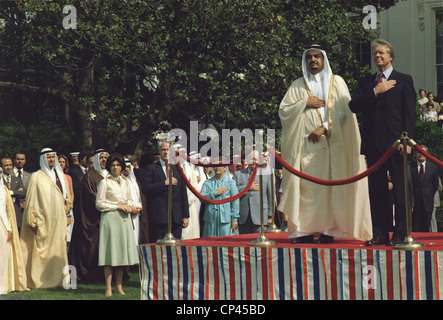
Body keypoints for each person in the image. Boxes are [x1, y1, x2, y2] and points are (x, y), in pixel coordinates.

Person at [278, 44, 372, 244]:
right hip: (304, 151)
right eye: (309, 57)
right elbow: (284, 112)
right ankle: (302, 232)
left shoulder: (336, 82)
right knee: (305, 192)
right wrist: (304, 103)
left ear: (323, 60)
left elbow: (345, 112)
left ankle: (329, 231)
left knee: (330, 191)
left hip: (331, 149)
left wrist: (325, 127)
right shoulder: (297, 85)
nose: (313, 60)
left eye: (317, 57)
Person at [349, 39, 416, 246]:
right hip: (373, 145)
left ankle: (401, 233)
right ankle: (379, 233)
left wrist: (408, 142)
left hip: (397, 144)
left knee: (400, 192)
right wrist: (376, 91)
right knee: (376, 192)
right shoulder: (368, 82)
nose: (377, 56)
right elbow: (353, 105)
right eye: (375, 53)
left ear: (390, 57)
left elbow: (409, 114)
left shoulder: (404, 80)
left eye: (381, 53)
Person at [20, 148, 73, 288]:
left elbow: (65, 197)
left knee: (58, 249)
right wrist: (33, 221)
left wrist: (67, 215)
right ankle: (40, 281)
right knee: (42, 250)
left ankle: (58, 280)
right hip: (43, 221)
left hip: (59, 219)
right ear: (43, 159)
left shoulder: (60, 176)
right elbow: (31, 200)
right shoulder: (36, 176)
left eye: (52, 157)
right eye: (48, 157)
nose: (51, 160)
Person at [96, 154, 140, 297]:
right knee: (110, 253)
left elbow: (128, 199)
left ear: (122, 167)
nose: (115, 168)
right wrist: (117, 207)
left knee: (121, 254)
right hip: (110, 220)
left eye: (118, 165)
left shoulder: (126, 182)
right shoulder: (105, 183)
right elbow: (99, 204)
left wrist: (129, 207)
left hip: (124, 220)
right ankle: (108, 287)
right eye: (113, 165)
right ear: (109, 167)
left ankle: (119, 286)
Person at [68, 148, 109, 283]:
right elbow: (92, 198)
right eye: (101, 158)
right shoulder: (90, 176)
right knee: (90, 248)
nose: (104, 160)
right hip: (92, 218)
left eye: (105, 158)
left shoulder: (110, 175)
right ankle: (88, 275)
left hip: (107, 217)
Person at [138, 141, 189, 242]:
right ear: (159, 151)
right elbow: (146, 188)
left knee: (176, 249)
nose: (166, 152)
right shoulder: (151, 169)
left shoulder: (178, 169)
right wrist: (164, 183)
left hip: (176, 218)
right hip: (159, 217)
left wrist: (185, 215)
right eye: (163, 150)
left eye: (168, 150)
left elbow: (183, 193)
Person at [0, 167, 27, 294]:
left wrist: (9, 227)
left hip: (4, 226)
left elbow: (6, 211)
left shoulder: (4, 190)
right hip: (2, 225)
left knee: (4, 255)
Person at [234, 150, 272, 234]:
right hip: (243, 216)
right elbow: (233, 192)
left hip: (261, 217)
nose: (254, 161)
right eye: (251, 159)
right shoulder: (238, 174)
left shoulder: (266, 175)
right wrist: (247, 188)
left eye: (256, 159)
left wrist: (270, 216)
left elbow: (270, 196)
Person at [200, 159, 239, 237]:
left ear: (225, 167)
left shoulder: (231, 183)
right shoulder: (207, 182)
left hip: (225, 220)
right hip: (211, 219)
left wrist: (234, 219)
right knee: (210, 244)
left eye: (220, 166)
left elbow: (235, 201)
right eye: (215, 166)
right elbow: (201, 198)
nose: (217, 168)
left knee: (225, 244)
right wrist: (214, 193)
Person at [409, 146, 439, 232]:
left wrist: (429, 195)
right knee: (416, 227)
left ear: (427, 154)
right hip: (415, 203)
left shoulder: (432, 167)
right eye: (418, 152)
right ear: (415, 154)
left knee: (427, 226)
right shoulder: (411, 167)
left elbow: (435, 184)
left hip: (428, 202)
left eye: (423, 152)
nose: (420, 154)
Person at [123, 157, 148, 245]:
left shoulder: (135, 181)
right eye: (124, 167)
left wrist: (138, 206)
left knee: (136, 239)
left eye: (128, 167)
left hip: (137, 215)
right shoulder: (119, 182)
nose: (126, 169)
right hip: (126, 215)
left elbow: (139, 197)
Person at [1, 157, 26, 233]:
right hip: (3, 214)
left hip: (16, 214)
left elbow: (23, 193)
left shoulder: (17, 179)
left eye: (10, 165)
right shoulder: (0, 180)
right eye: (6, 165)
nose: (9, 167)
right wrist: (16, 192)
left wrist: (12, 192)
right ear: (1, 167)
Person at [59, 154, 75, 243]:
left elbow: (71, 193)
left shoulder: (68, 177)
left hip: (67, 205)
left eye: (63, 162)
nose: (61, 164)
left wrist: (69, 205)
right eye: (60, 162)